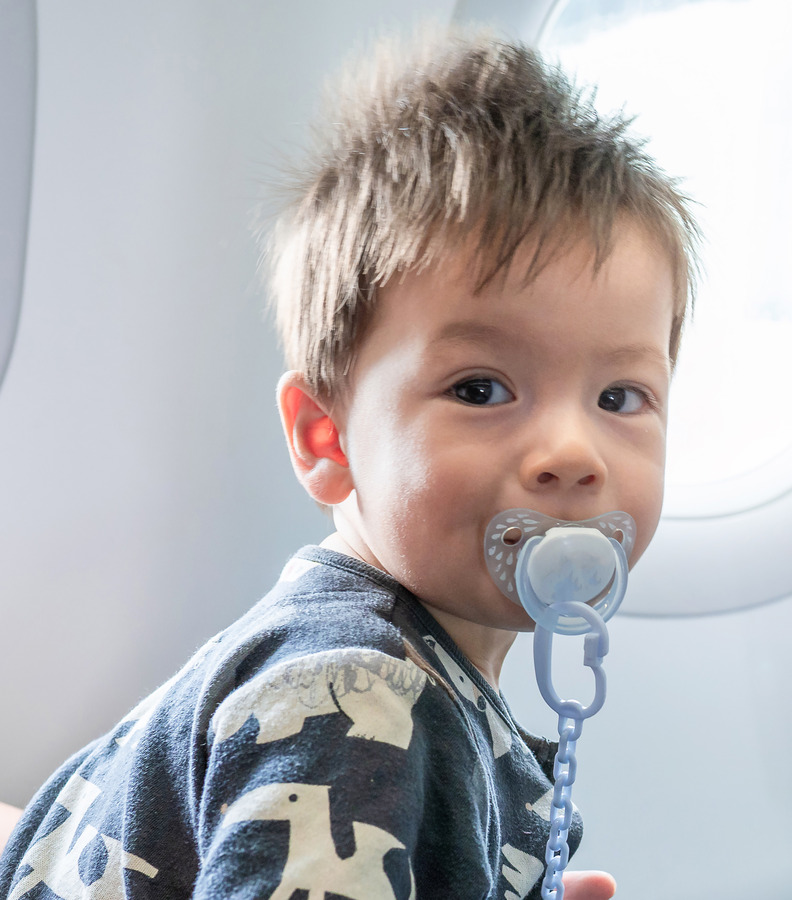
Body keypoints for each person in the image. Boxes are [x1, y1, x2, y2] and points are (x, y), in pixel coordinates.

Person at [0, 28, 696, 900]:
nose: (570, 453)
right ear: (326, 438)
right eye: (480, 389)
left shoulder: (392, 663)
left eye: (621, 397)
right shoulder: (356, 698)